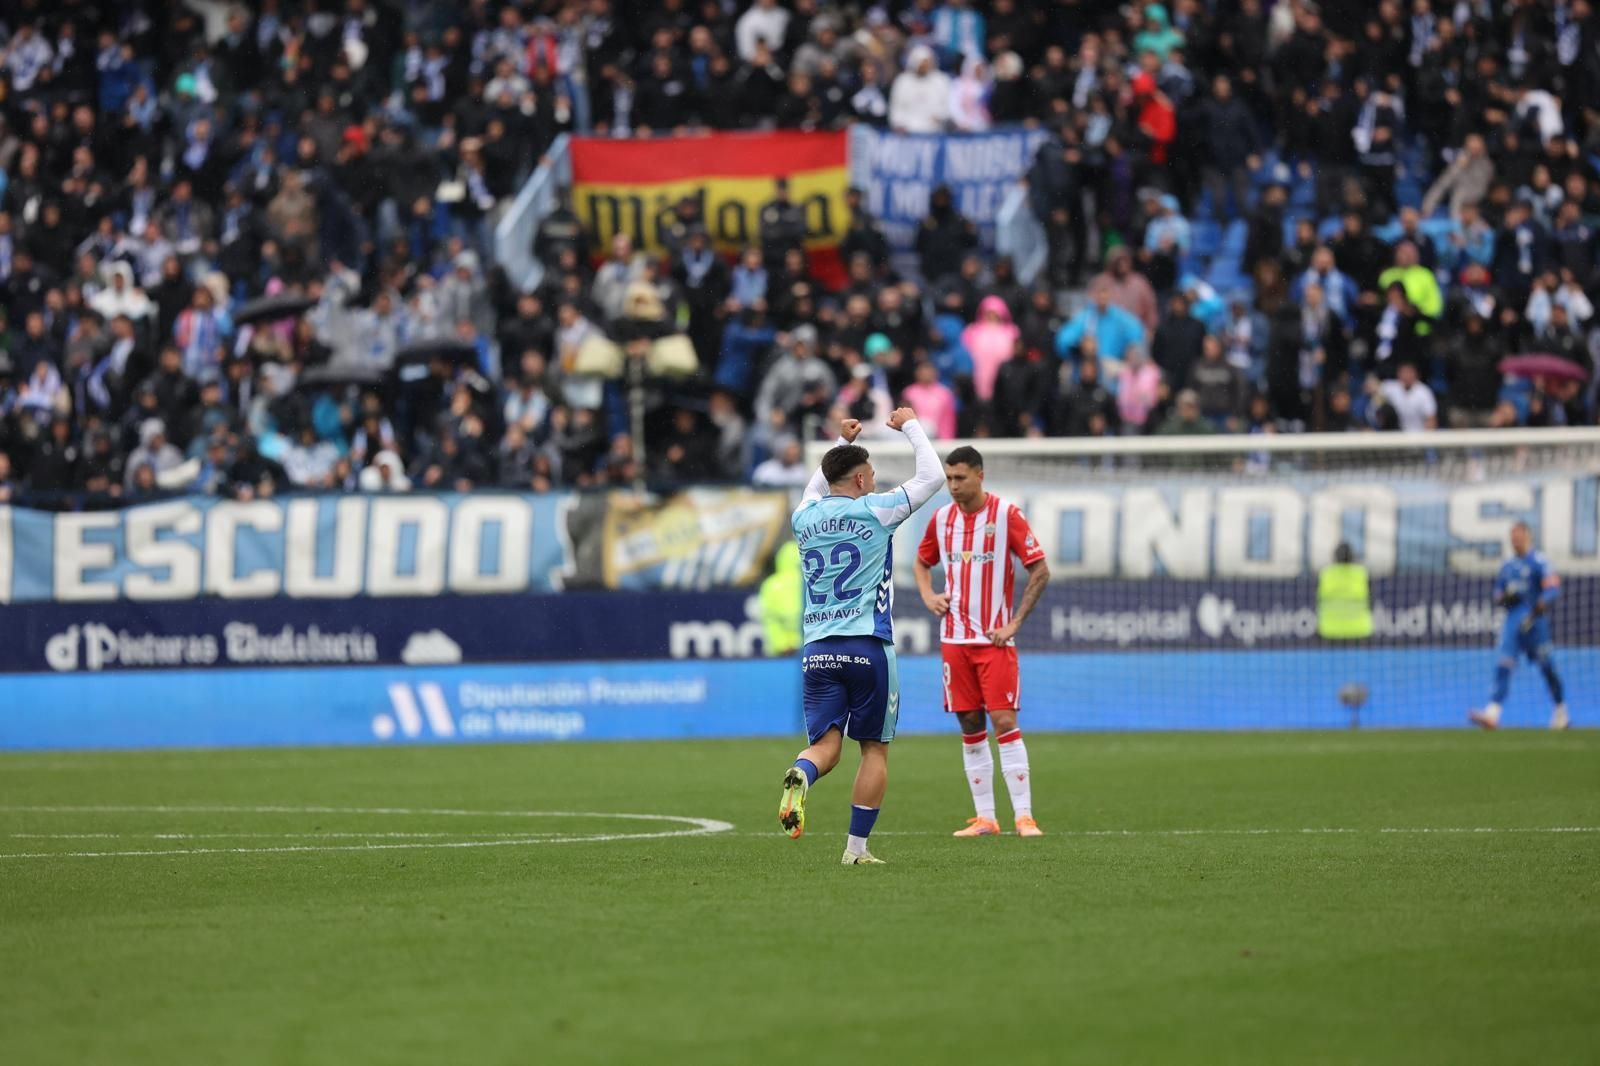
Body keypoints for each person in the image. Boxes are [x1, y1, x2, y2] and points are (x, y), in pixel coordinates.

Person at [777, 409, 943, 865]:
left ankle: (802, 773)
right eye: (869, 473)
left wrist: (840, 442)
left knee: (826, 747)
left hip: (817, 650)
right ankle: (856, 850)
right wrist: (910, 425)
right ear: (859, 480)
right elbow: (932, 476)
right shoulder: (877, 510)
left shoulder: (804, 516)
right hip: (867, 645)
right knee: (874, 750)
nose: (873, 479)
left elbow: (818, 484)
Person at [912, 445, 1051, 838]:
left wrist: (1014, 623)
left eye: (960, 478)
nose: (953, 485)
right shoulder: (941, 519)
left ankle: (1024, 817)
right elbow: (921, 562)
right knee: (970, 723)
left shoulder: (1007, 516)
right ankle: (986, 818)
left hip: (994, 640)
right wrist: (928, 595)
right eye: (949, 478)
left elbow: (1040, 569)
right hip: (954, 640)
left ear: (980, 475)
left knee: (1004, 720)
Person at [1470, 522, 1569, 732]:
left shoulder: (1540, 561)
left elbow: (1553, 588)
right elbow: (1497, 594)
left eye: (1519, 537)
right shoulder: (1507, 566)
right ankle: (1492, 713)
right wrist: (1505, 597)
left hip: (1535, 623)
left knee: (1548, 668)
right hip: (1513, 623)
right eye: (1513, 537)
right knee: (1503, 665)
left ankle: (1561, 712)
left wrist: (1542, 603)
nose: (1515, 541)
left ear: (1528, 537)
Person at [759, 541, 803, 657]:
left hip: (783, 653)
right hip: (812, 648)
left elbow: (770, 619)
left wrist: (781, 645)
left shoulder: (770, 585)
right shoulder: (814, 583)